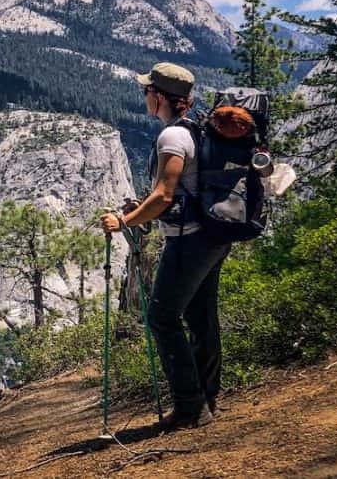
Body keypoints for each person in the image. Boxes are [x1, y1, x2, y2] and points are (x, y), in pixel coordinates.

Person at [100, 62, 230, 430]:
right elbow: (175, 192)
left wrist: (125, 220)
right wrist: (140, 208)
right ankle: (207, 398)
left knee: (162, 317)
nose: (144, 96)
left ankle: (190, 408)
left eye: (146, 91)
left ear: (159, 97)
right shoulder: (197, 129)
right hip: (213, 236)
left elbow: (164, 195)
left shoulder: (172, 138)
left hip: (189, 241)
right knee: (201, 316)